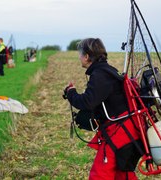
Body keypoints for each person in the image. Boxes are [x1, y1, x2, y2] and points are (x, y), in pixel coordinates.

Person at [64, 38, 143, 179]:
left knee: (99, 175)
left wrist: (71, 93)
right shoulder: (106, 71)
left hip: (120, 132)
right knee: (122, 173)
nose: (79, 58)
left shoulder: (101, 74)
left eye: (80, 54)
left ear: (87, 56)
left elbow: (87, 101)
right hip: (126, 128)